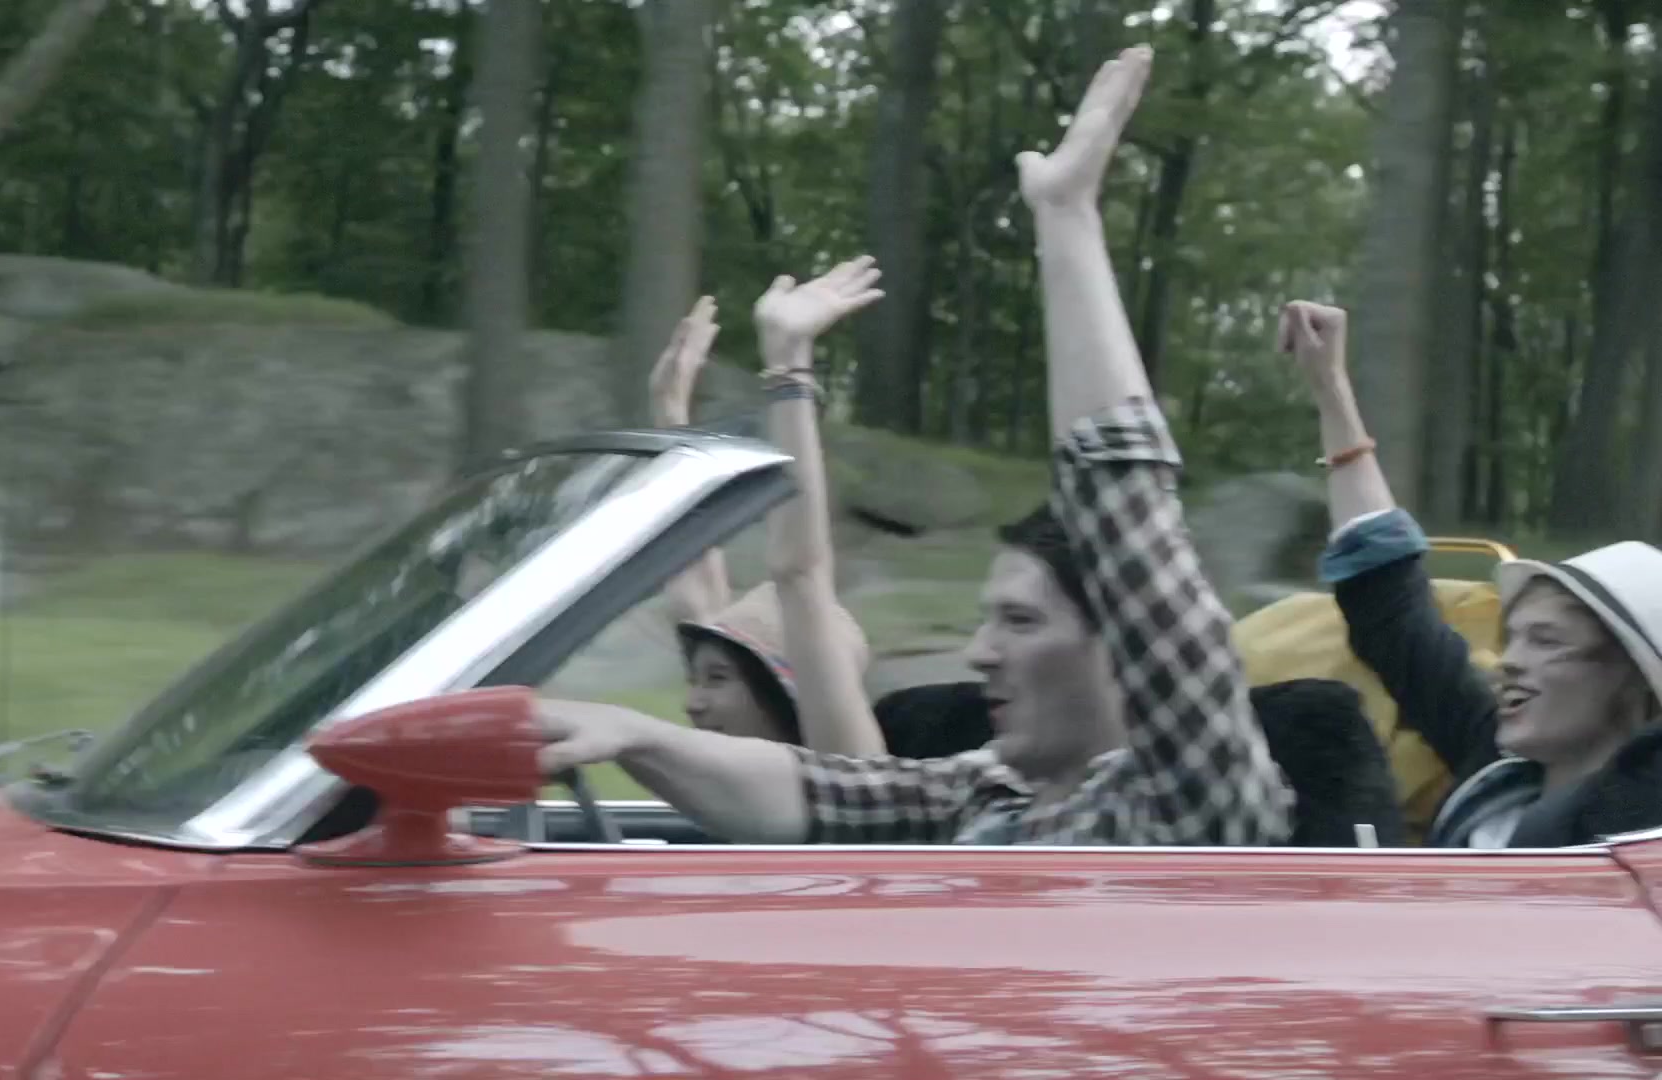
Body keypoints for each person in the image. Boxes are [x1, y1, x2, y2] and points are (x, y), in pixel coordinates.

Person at [534, 46, 1295, 848]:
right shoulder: (983, 791)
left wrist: (1066, 218)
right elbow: (818, 793)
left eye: (1020, 622)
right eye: (990, 620)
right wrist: (635, 734)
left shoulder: (1191, 809)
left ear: (1126, 646)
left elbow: (1129, 528)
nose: (980, 653)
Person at [1281, 297, 1662, 847]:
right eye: (1515, 638)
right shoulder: (1491, 756)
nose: (1509, 661)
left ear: (1633, 677)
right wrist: (1330, 385)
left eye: (1547, 640)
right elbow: (1389, 607)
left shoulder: (1645, 818)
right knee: (1312, 715)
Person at [647, 280, 883, 755]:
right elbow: (694, 593)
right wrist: (670, 413)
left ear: (792, 690)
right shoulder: (728, 780)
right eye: (697, 678)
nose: (691, 704)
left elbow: (799, 569)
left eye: (717, 678)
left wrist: (789, 371)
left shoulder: (848, 776)